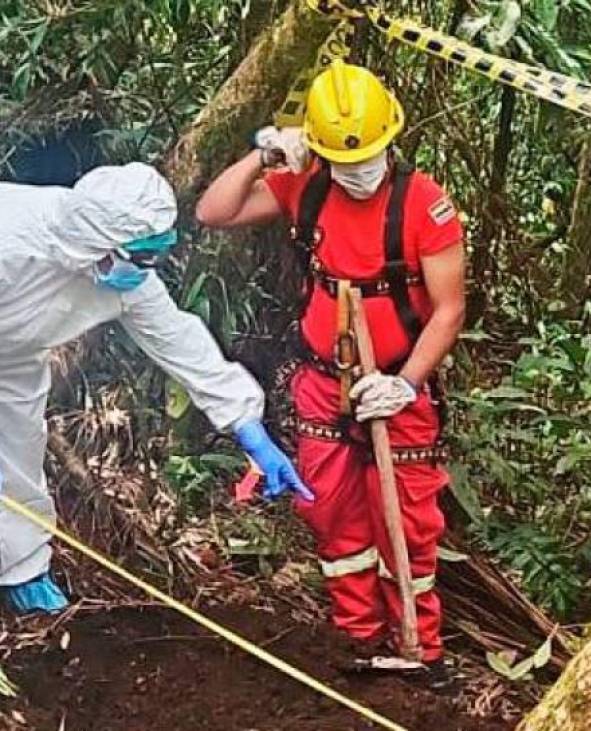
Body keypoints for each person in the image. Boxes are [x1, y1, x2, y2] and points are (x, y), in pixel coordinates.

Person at [195, 61, 465, 686]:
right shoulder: (309, 184)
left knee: (406, 516)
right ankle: (358, 639)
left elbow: (449, 308)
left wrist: (406, 383)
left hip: (398, 383)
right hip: (323, 382)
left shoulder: (425, 205)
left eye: (369, 156)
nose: (360, 170)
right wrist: (264, 156)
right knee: (333, 514)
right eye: (347, 159)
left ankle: (420, 649)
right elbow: (213, 212)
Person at [0, 163, 311, 615]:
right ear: (97, 244)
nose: (150, 268)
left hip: (14, 359)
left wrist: (249, 428)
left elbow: (181, 343)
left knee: (19, 455)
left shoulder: (126, 280)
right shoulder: (11, 238)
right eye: (143, 255)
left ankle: (23, 571)